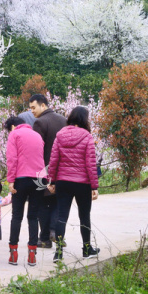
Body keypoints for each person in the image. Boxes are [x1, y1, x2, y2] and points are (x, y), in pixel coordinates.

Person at [48, 106, 99, 262]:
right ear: (84, 119)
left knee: (62, 216)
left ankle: (58, 252)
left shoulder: (60, 135)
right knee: (84, 216)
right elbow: (90, 163)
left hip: (63, 182)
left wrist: (52, 180)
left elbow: (54, 161)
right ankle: (87, 248)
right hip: (82, 183)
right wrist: (94, 186)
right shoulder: (86, 136)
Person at [4, 115, 45, 267]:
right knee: (33, 216)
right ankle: (32, 255)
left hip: (21, 178)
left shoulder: (14, 134)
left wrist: (11, 180)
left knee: (17, 216)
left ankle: (13, 254)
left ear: (13, 127)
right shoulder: (38, 135)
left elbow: (12, 158)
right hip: (39, 179)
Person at [29, 93, 66, 249]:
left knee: (42, 204)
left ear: (43, 105)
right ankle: (55, 233)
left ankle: (44, 238)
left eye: (33, 107)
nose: (32, 111)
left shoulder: (40, 123)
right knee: (58, 202)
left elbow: (37, 150)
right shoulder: (64, 120)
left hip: (43, 170)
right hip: (62, 170)